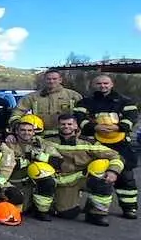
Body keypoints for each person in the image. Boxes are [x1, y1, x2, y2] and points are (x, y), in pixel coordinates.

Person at [74, 74, 137, 219]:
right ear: (93, 85)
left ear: (112, 84)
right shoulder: (85, 102)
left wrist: (118, 127)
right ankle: (93, 206)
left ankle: (129, 207)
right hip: (96, 144)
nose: (103, 86)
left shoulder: (125, 101)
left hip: (121, 144)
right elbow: (79, 119)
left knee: (125, 178)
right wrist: (94, 127)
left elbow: (132, 118)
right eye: (99, 83)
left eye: (106, 83)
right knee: (96, 175)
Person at [48, 114, 124, 227]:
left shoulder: (88, 143)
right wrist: (11, 135)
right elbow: (26, 138)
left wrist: (113, 171)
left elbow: (116, 156)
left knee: (102, 183)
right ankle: (62, 203)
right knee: (67, 214)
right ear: (58, 126)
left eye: (69, 124)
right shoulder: (48, 141)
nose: (66, 126)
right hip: (64, 181)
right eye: (63, 124)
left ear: (75, 126)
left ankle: (97, 214)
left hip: (83, 178)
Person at [4, 116, 61, 221]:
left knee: (48, 181)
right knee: (22, 210)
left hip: (35, 182)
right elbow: (5, 164)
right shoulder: (8, 144)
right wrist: (26, 160)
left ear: (34, 132)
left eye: (30, 130)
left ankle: (42, 211)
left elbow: (58, 162)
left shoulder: (41, 143)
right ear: (16, 132)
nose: (26, 133)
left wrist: (41, 157)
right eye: (23, 130)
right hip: (16, 182)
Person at [11, 69, 81, 138]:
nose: (51, 81)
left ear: (60, 80)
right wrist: (17, 125)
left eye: (54, 79)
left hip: (67, 136)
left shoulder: (73, 96)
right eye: (48, 79)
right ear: (44, 80)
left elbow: (82, 116)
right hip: (41, 136)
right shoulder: (32, 97)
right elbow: (17, 112)